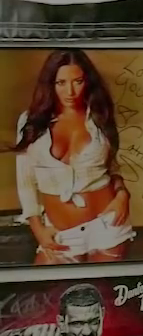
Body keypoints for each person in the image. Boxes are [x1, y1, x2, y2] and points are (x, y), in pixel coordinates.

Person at [11, 50, 133, 265]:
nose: (70, 91)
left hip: (107, 225)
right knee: (45, 286)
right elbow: (25, 182)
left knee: (101, 286)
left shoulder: (99, 116)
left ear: (88, 82)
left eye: (78, 81)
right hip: (60, 233)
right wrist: (38, 230)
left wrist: (123, 195)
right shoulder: (31, 122)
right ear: (50, 84)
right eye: (61, 83)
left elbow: (112, 166)